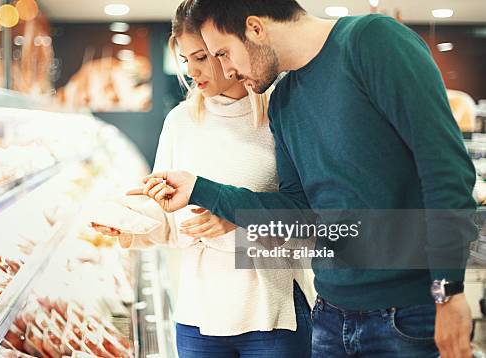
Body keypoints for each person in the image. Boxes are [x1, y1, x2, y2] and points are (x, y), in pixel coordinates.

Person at [136, 1, 478, 357]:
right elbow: (298, 210)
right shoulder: (284, 100)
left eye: (222, 53)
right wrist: (199, 189)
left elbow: (445, 168)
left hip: (406, 316)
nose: (227, 69)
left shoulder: (371, 40)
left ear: (255, 28)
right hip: (329, 316)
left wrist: (448, 289)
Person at [91, 2, 315, 357]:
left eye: (203, 56)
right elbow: (174, 225)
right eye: (186, 61)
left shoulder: (281, 116)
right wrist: (131, 222)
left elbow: (305, 226)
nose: (193, 71)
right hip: (200, 317)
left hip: (271, 315)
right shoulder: (180, 122)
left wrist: (232, 225)